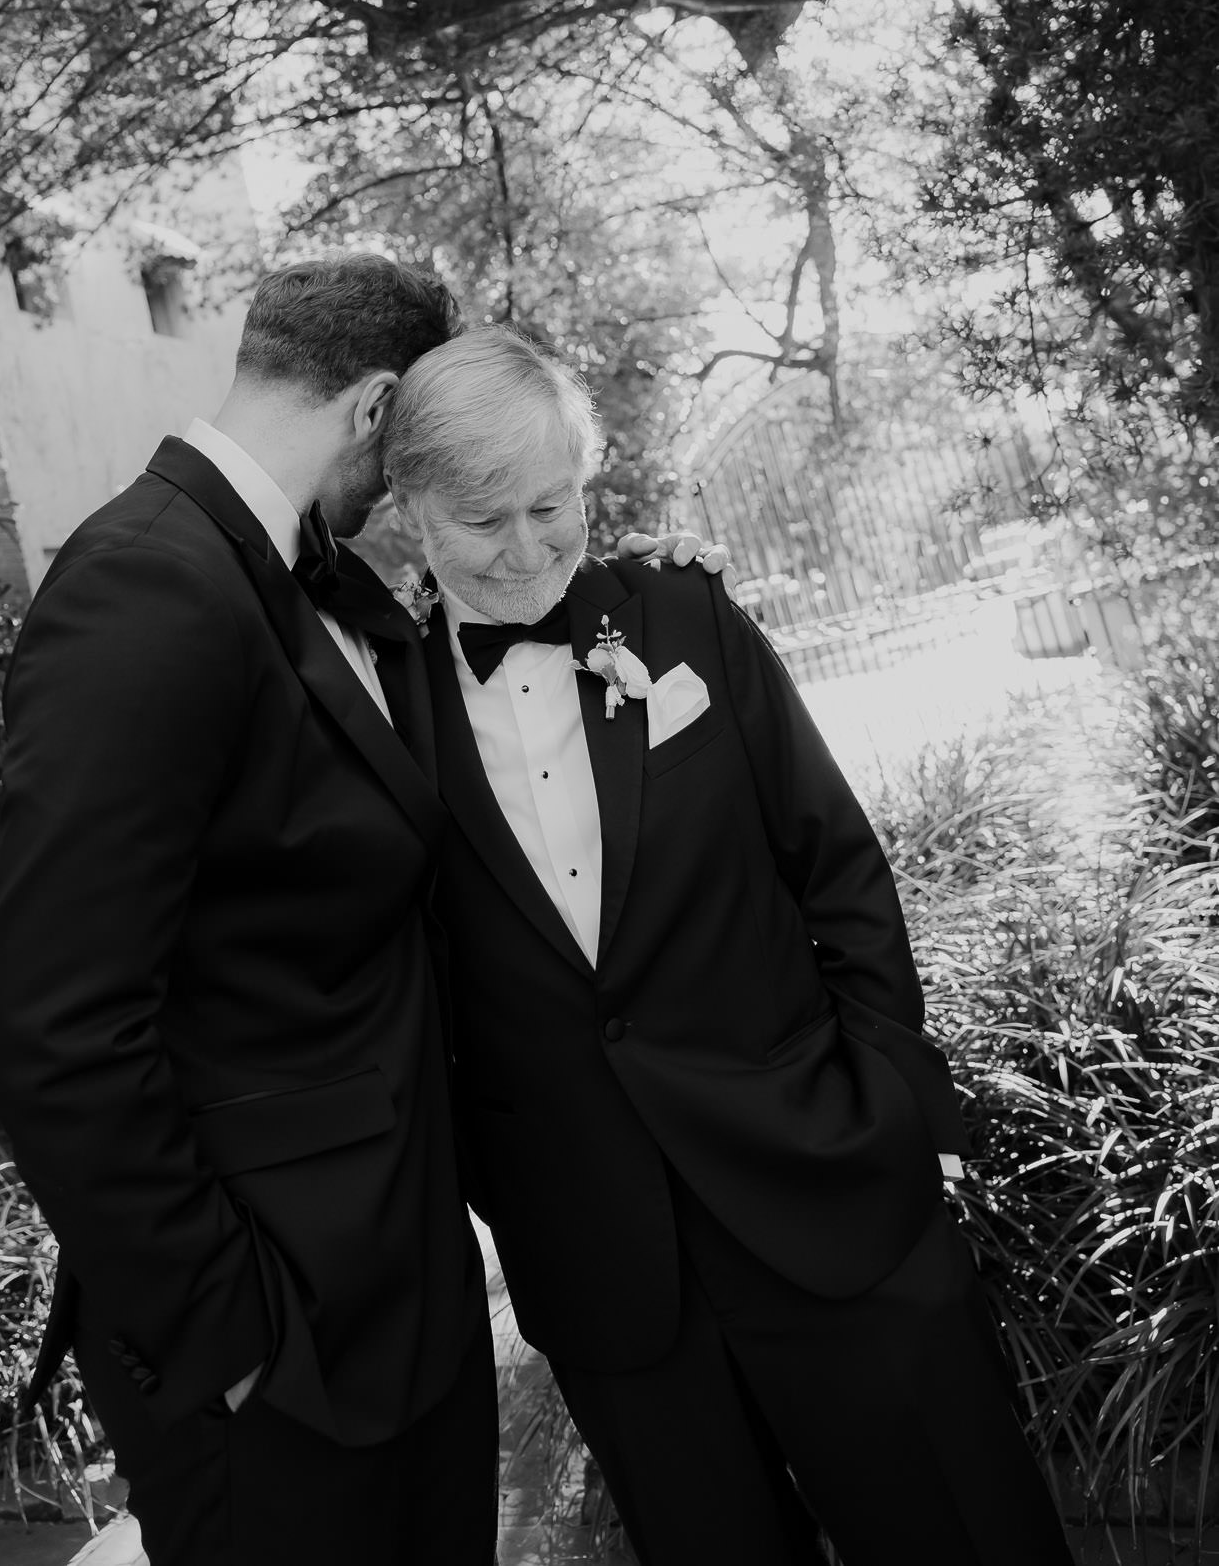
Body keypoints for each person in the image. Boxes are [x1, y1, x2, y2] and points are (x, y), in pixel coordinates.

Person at [384, 326, 1077, 1566]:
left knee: (965, 1532)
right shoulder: (380, 708)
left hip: (826, 1189)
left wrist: (888, 1108)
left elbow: (840, 868)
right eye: (486, 522)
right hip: (602, 1266)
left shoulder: (686, 616)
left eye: (555, 506)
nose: (532, 548)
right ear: (411, 507)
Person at [0, 256, 496, 1566]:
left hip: (401, 1297)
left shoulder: (298, 579)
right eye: (412, 436)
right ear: (374, 405)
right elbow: (58, 1026)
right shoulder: (143, 584)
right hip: (281, 1349)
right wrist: (236, 1340)